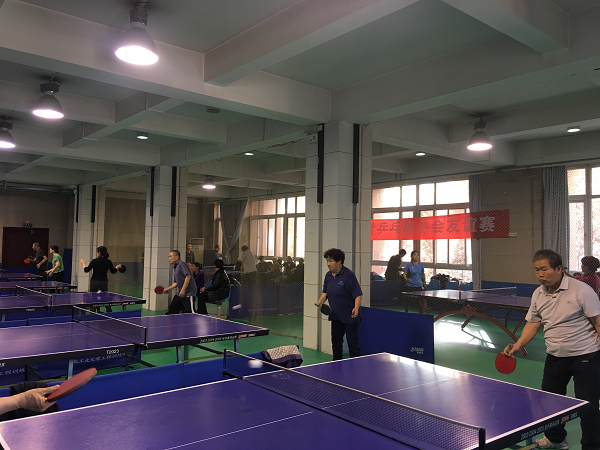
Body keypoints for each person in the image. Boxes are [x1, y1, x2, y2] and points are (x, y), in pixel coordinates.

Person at [504, 249, 600, 450]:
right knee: (550, 403)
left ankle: (591, 446)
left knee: (588, 406)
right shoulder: (538, 293)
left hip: (586, 356)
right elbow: (533, 323)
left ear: (558, 269)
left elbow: (598, 322)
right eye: (536, 270)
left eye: (544, 269)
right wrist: (519, 344)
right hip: (555, 356)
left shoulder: (581, 290)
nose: (540, 274)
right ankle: (556, 438)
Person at [316, 248, 363, 360]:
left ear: (339, 261)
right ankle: (336, 365)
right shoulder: (328, 276)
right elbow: (325, 291)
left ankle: (357, 366)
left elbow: (358, 294)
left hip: (350, 316)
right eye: (327, 261)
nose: (328, 264)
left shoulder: (348, 275)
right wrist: (321, 300)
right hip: (336, 316)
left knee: (353, 345)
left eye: (331, 261)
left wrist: (356, 308)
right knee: (336, 343)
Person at [80, 246, 122, 312]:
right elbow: (113, 271)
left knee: (93, 297)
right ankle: (109, 310)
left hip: (94, 282)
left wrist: (83, 264)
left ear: (99, 253)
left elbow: (86, 270)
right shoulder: (108, 262)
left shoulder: (94, 261)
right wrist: (117, 266)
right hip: (103, 282)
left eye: (97, 252)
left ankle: (92, 311)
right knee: (106, 297)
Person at [162, 250, 197, 314]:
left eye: (170, 256)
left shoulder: (182, 264)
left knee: (191, 312)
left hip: (189, 292)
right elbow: (176, 283)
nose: (169, 258)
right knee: (172, 309)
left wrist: (183, 290)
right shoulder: (175, 267)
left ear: (177, 257)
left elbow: (188, 276)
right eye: (168, 257)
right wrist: (167, 289)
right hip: (180, 292)